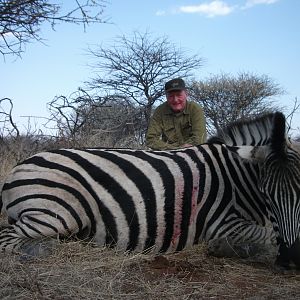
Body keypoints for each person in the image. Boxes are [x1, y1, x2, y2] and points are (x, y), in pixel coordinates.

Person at [146, 78, 206, 150]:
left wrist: (184, 149)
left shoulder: (195, 109)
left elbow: (199, 138)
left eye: (179, 95)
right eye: (171, 96)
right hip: (169, 155)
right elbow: (151, 139)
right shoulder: (160, 111)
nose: (175, 100)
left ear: (186, 94)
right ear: (166, 97)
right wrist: (174, 149)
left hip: (192, 152)